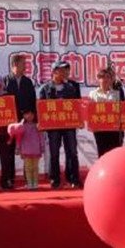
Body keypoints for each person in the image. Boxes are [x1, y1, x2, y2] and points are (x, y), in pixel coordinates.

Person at [38, 61, 82, 189]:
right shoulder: (45, 88)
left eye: (65, 70)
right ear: (54, 72)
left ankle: (73, 178)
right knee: (54, 153)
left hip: (68, 125)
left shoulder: (71, 87)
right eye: (61, 70)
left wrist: (78, 120)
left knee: (72, 152)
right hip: (53, 127)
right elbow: (41, 108)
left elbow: (77, 106)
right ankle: (55, 179)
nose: (64, 73)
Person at [3, 54, 37, 187]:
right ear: (15, 65)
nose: (25, 67)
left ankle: (28, 179)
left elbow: (32, 100)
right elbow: (2, 101)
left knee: (27, 150)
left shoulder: (28, 82)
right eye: (23, 64)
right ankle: (9, 179)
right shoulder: (5, 80)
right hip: (10, 122)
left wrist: (32, 115)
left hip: (26, 120)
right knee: (9, 151)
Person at [7, 109, 45, 190]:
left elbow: (41, 137)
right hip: (26, 150)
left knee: (35, 168)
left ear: (34, 116)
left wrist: (42, 147)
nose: (29, 116)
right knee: (28, 168)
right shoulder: (21, 127)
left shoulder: (38, 126)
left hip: (36, 150)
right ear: (23, 116)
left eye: (31, 114)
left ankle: (35, 183)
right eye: (27, 114)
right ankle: (29, 183)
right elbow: (18, 139)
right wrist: (18, 148)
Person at [89, 68, 123, 157]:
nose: (105, 79)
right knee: (101, 150)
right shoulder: (92, 94)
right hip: (99, 127)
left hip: (113, 127)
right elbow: (90, 110)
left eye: (108, 77)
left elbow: (122, 109)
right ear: (98, 79)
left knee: (114, 151)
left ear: (111, 79)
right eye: (102, 77)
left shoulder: (117, 93)